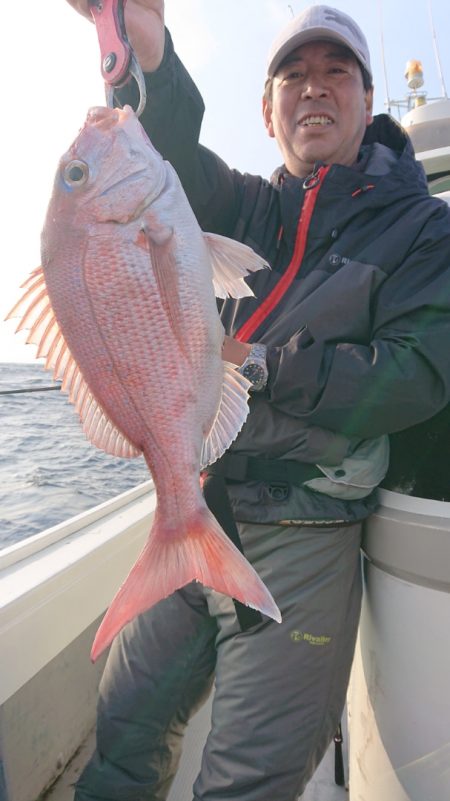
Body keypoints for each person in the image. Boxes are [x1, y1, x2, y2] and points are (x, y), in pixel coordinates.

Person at [67, 3, 450, 799]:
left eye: (335, 71)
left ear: (369, 100)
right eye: (294, 76)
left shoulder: (423, 228)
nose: (314, 89)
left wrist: (266, 364)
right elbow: (164, 154)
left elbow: (416, 375)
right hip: (200, 503)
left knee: (245, 782)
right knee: (123, 732)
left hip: (305, 533)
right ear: (267, 110)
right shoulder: (248, 205)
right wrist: (149, 54)